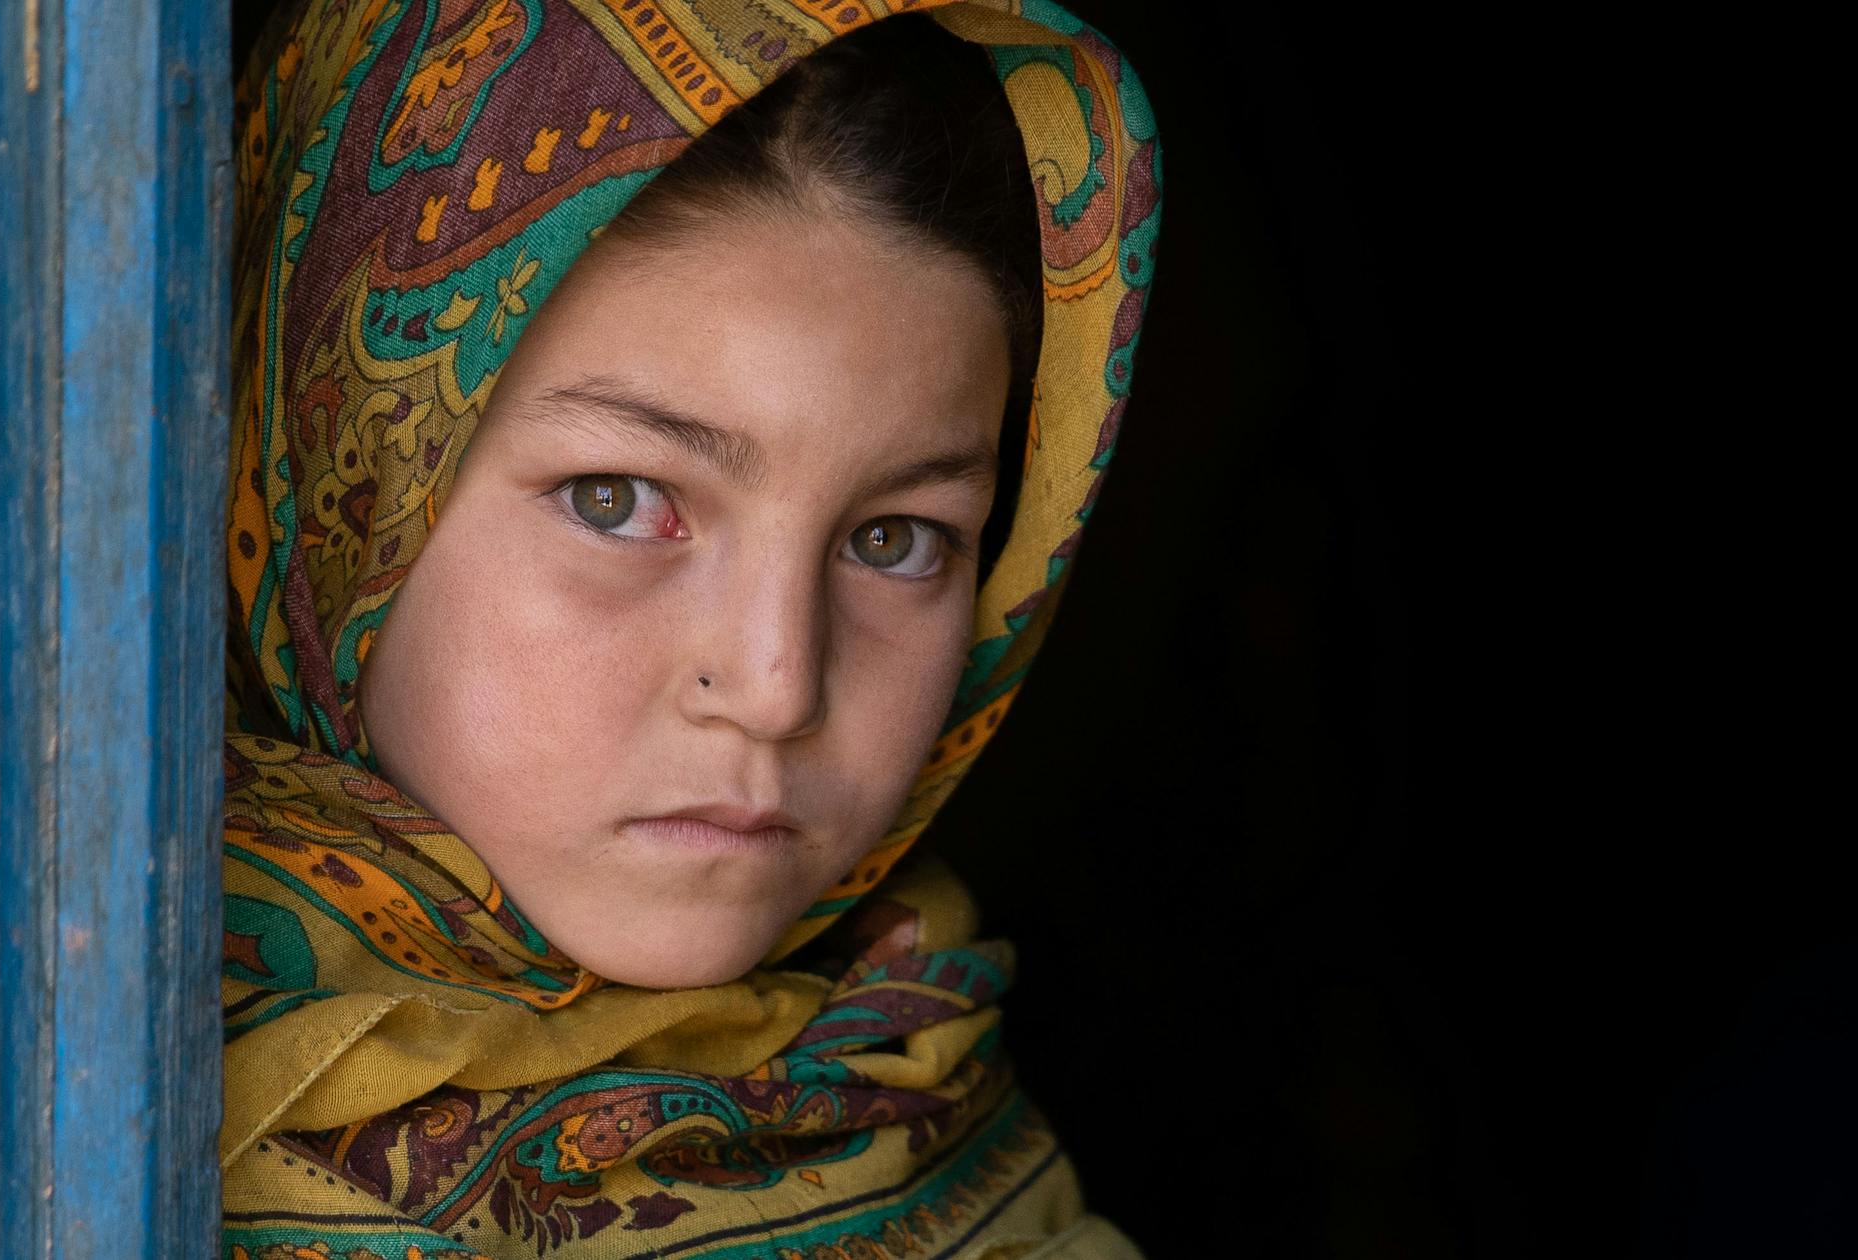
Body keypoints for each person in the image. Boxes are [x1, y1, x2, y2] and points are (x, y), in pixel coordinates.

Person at [216, 1, 1159, 1253]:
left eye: (896, 539)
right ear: (330, 494)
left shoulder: (939, 1123)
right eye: (616, 501)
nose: (777, 686)